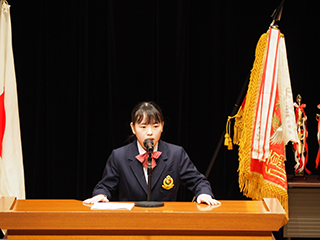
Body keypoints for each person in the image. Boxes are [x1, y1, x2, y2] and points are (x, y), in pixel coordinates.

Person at [84, 101, 220, 206]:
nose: (149, 132)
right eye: (143, 127)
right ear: (133, 128)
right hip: (130, 222)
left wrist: (204, 194)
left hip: (166, 221)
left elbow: (198, 181)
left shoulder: (176, 154)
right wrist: (101, 194)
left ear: (162, 126)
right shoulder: (119, 156)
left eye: (155, 126)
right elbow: (105, 186)